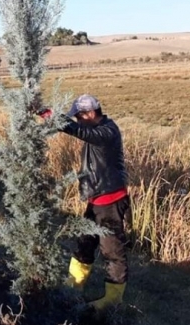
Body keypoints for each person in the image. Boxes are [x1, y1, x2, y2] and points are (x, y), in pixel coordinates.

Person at [39, 94, 130, 312]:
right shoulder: (95, 130)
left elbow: (78, 130)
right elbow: (79, 129)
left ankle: (112, 300)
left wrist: (51, 117)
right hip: (96, 199)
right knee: (84, 243)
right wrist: (43, 111)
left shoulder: (107, 131)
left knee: (112, 251)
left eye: (79, 117)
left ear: (90, 113)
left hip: (111, 201)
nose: (78, 121)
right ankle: (74, 286)